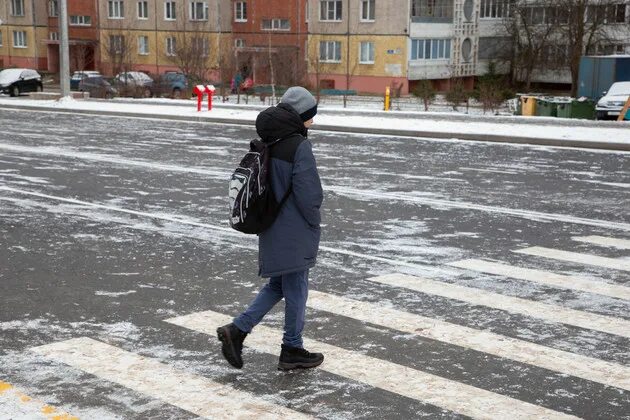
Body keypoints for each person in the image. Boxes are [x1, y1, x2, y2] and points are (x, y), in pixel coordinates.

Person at [217, 86, 324, 371]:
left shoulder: (272, 140)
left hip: (273, 224)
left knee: (279, 283)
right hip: (295, 228)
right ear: (302, 115)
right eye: (311, 115)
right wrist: (314, 222)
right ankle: (292, 348)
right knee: (297, 288)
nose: (313, 120)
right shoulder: (298, 145)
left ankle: (237, 330)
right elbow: (309, 194)